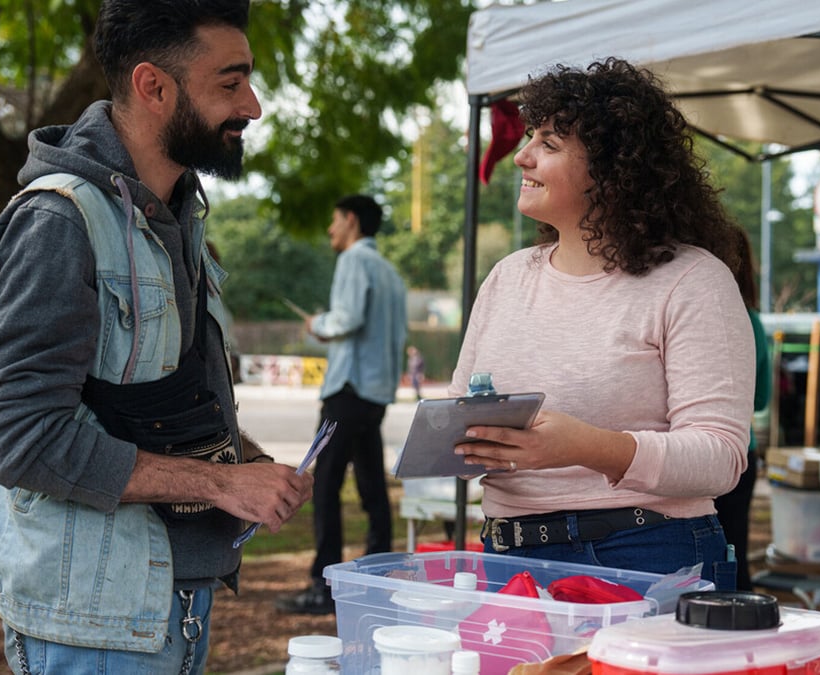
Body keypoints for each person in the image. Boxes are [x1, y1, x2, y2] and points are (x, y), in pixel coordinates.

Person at [0, 2, 313, 672]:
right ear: (153, 87)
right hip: (93, 628)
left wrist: (237, 459)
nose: (252, 106)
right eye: (229, 83)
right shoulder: (59, 221)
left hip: (166, 604)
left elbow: (142, 399)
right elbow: (25, 437)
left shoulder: (174, 216)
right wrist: (219, 486)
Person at [449, 57, 754, 591]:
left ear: (613, 169)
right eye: (529, 138)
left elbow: (720, 457)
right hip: (508, 556)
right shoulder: (506, 278)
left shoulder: (693, 281)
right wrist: (458, 444)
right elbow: (459, 426)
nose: (521, 157)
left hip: (648, 553)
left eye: (548, 143)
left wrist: (588, 447)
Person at [275, 195, 408, 614]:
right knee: (372, 488)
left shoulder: (354, 261)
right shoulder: (389, 271)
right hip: (375, 394)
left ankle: (323, 586)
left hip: (347, 390)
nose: (331, 230)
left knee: (326, 485)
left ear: (350, 220)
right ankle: (382, 580)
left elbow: (347, 319)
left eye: (334, 221)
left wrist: (319, 324)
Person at [714, 227, 773, 590]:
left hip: (705, 459)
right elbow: (761, 398)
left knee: (717, 565)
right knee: (734, 559)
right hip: (743, 454)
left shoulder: (710, 317)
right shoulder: (753, 320)